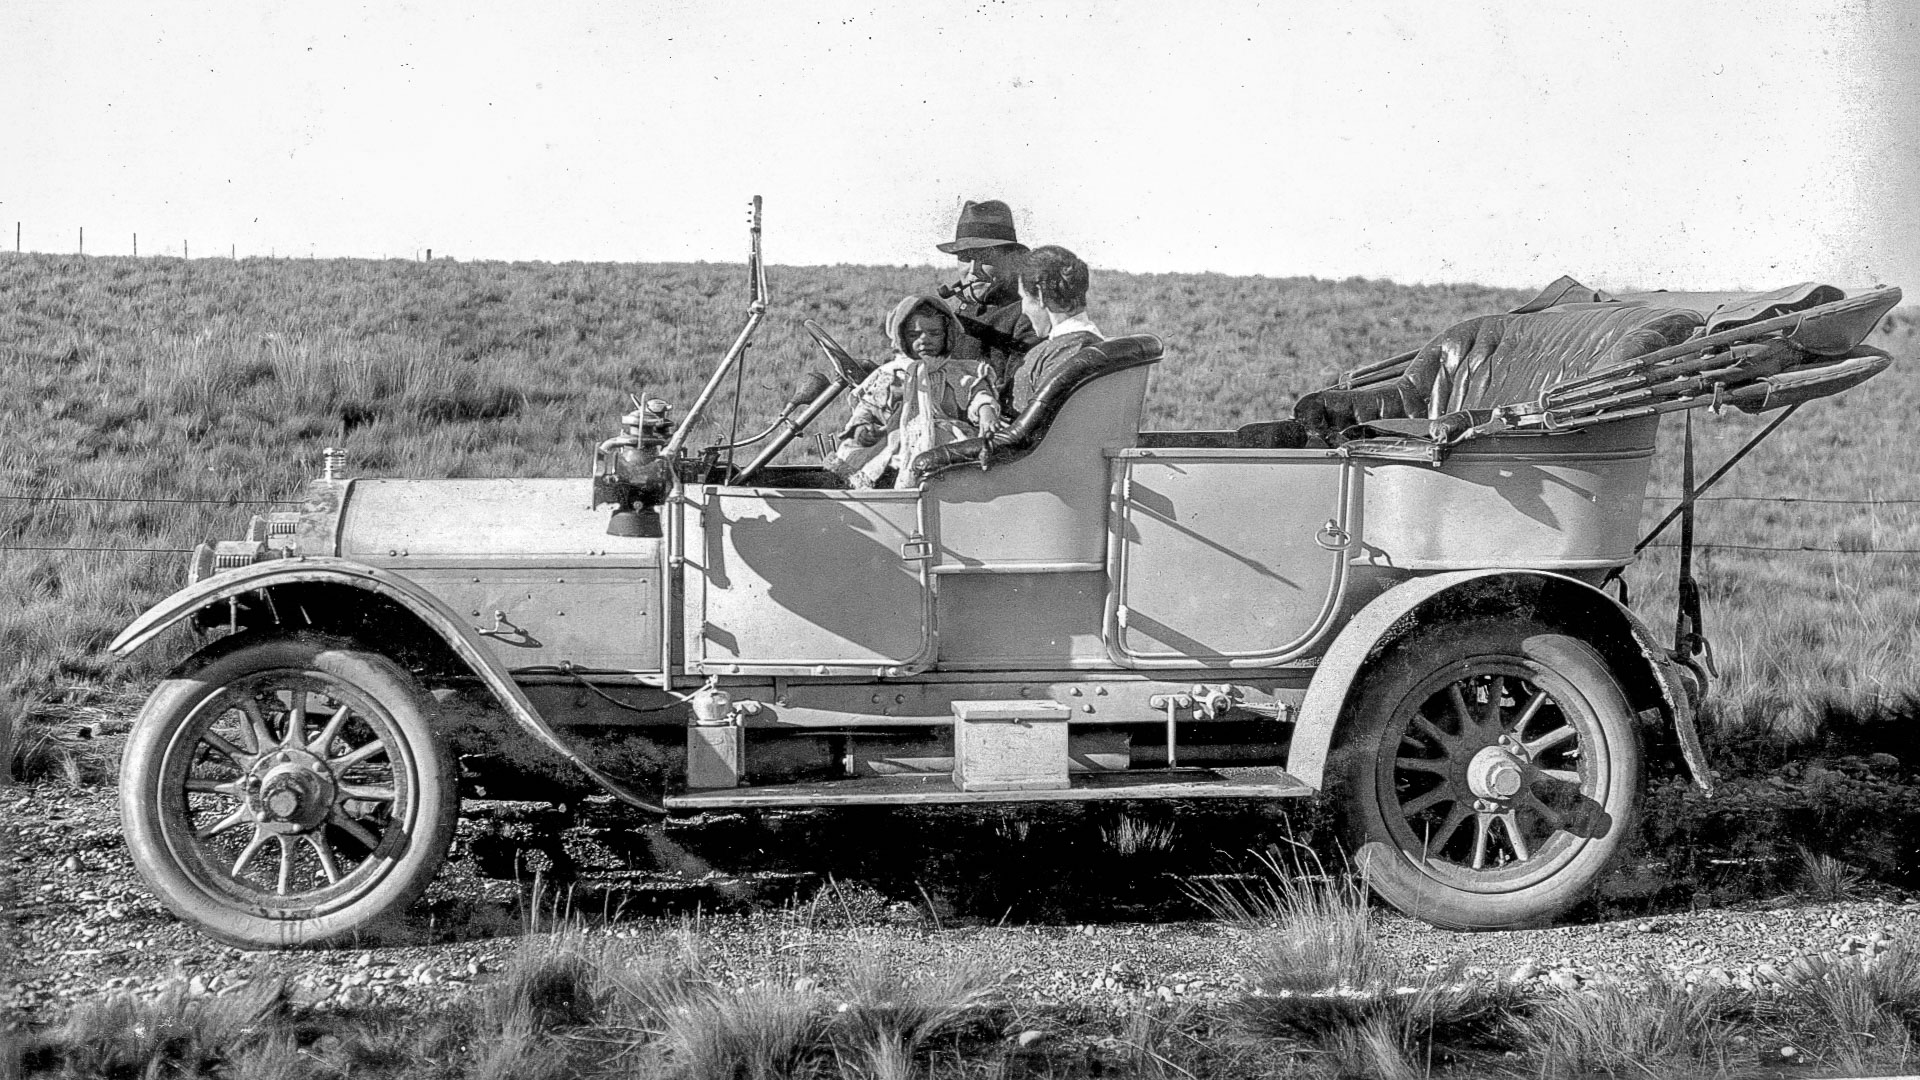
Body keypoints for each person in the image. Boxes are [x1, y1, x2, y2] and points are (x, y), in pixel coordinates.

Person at [831, 295, 998, 488]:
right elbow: (867, 406)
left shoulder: (959, 371)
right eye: (914, 334)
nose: (924, 340)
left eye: (934, 333)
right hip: (897, 437)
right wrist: (862, 427)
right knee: (870, 458)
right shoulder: (891, 373)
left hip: (945, 439)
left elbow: (978, 394)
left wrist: (986, 411)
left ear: (948, 335)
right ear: (902, 337)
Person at [970, 245, 1101, 429]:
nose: (1023, 309)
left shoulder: (1064, 351)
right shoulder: (1090, 343)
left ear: (1040, 296)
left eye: (1023, 298)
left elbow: (1038, 432)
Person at [937, 200, 1042, 406]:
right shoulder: (963, 308)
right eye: (965, 258)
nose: (973, 270)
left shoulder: (1025, 315)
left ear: (1010, 259)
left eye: (985, 259)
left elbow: (1016, 394)